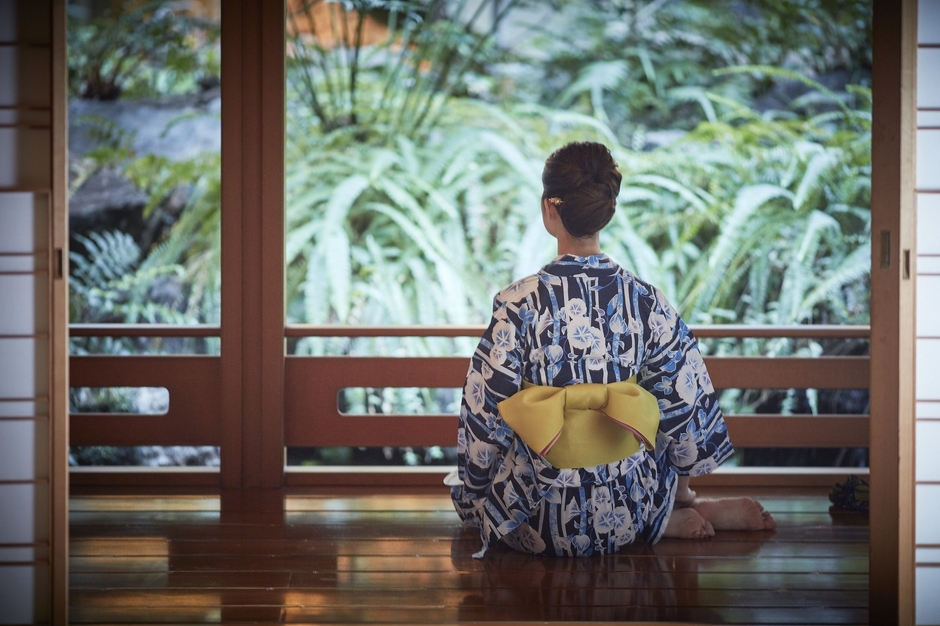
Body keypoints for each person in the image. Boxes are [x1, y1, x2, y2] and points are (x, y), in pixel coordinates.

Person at [449, 141, 776, 557]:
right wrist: (684, 483)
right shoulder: (645, 299)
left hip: (534, 521)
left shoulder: (518, 304)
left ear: (550, 209)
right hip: (625, 509)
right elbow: (684, 399)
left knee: (472, 494)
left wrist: (473, 488)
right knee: (657, 422)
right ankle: (672, 510)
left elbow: (483, 412)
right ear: (608, 208)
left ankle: (668, 516)